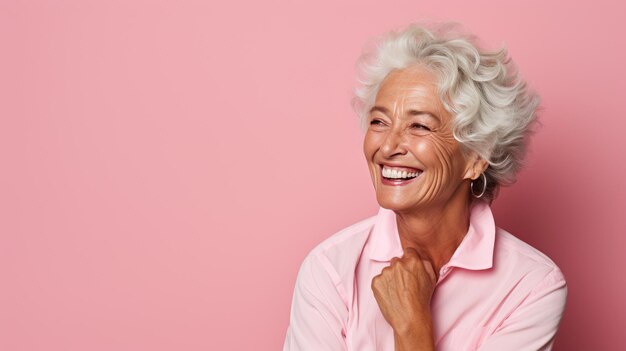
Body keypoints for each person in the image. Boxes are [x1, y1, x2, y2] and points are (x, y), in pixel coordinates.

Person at [282, 22, 567, 351]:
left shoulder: (532, 286)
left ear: (476, 157)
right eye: (379, 121)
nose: (388, 147)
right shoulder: (329, 270)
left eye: (419, 126)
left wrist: (412, 324)